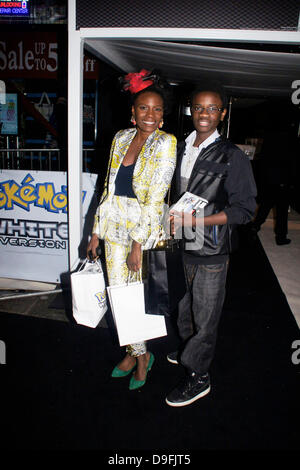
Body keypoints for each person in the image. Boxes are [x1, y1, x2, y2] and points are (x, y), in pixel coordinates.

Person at [165, 82, 257, 407]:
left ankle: (199, 375)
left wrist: (198, 221)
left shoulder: (232, 156)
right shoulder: (178, 148)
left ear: (222, 113)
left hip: (211, 249)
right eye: (199, 108)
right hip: (180, 243)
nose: (205, 114)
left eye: (212, 108)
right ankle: (189, 348)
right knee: (183, 305)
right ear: (192, 110)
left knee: (205, 314)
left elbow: (245, 210)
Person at [87, 70, 177, 390]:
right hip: (113, 226)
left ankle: (141, 359)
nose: (149, 115)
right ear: (133, 112)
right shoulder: (121, 138)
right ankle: (135, 352)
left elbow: (155, 198)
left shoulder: (166, 143)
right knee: (119, 295)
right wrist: (96, 231)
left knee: (138, 298)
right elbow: (108, 188)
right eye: (143, 108)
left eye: (156, 110)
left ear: (163, 116)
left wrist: (139, 243)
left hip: (143, 229)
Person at [250, 125, 296, 245]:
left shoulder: (269, 137)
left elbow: (263, 159)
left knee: (266, 204)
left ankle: (255, 226)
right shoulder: (290, 139)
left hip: (270, 178)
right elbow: (292, 161)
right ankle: (280, 237)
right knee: (282, 210)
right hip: (283, 178)